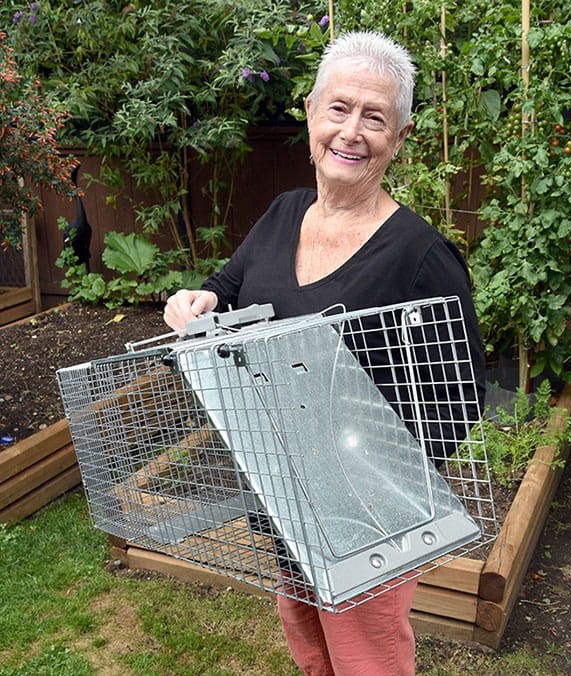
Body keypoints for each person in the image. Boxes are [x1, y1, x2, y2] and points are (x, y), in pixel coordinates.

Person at [164, 30, 485, 676]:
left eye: (376, 117)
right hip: (281, 500)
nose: (352, 131)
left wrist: (373, 482)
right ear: (310, 112)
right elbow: (228, 288)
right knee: (311, 649)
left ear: (401, 137)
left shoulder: (419, 256)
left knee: (366, 661)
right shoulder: (285, 214)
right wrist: (194, 302)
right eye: (339, 109)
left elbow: (462, 393)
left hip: (365, 524)